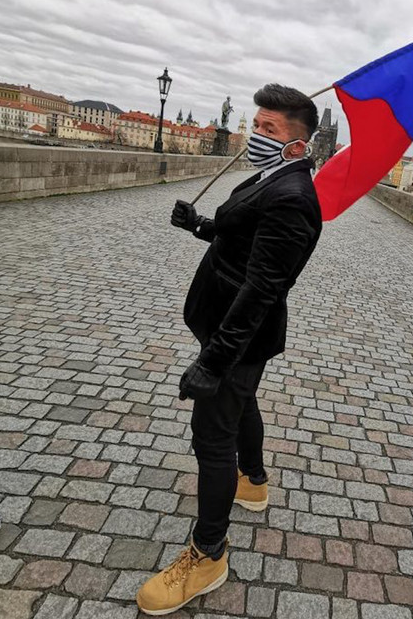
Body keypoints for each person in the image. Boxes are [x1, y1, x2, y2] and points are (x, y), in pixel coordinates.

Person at [136, 84, 321, 616]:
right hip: (225, 325)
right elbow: (240, 235)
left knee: (212, 438)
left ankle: (208, 554)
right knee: (243, 405)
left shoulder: (294, 199)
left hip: (236, 338)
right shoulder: (271, 176)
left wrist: (212, 363)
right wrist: (200, 225)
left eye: (269, 129)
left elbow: (262, 289)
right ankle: (254, 482)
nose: (255, 133)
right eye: (255, 123)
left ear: (297, 144)